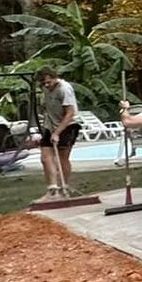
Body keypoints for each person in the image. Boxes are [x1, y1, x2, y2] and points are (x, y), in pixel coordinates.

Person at [35, 66, 81, 199]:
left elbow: (70, 113)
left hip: (68, 125)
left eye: (49, 82)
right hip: (50, 126)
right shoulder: (45, 88)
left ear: (55, 77)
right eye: (44, 83)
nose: (47, 85)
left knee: (62, 158)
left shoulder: (64, 89)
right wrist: (50, 129)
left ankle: (64, 187)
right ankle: (52, 190)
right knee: (45, 158)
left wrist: (57, 133)